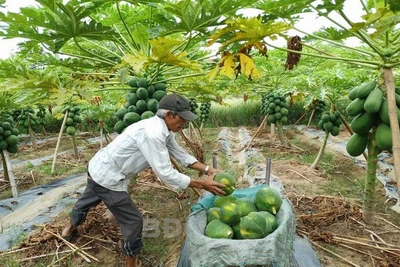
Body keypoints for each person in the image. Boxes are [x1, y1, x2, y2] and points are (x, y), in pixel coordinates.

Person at [61, 93, 226, 267]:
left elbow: (180, 154)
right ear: (169, 114)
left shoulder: (165, 130)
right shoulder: (153, 133)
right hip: (107, 178)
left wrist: (208, 169)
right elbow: (165, 173)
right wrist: (202, 183)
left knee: (85, 202)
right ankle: (130, 263)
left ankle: (68, 230)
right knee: (133, 221)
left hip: (99, 168)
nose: (184, 123)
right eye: (182, 119)